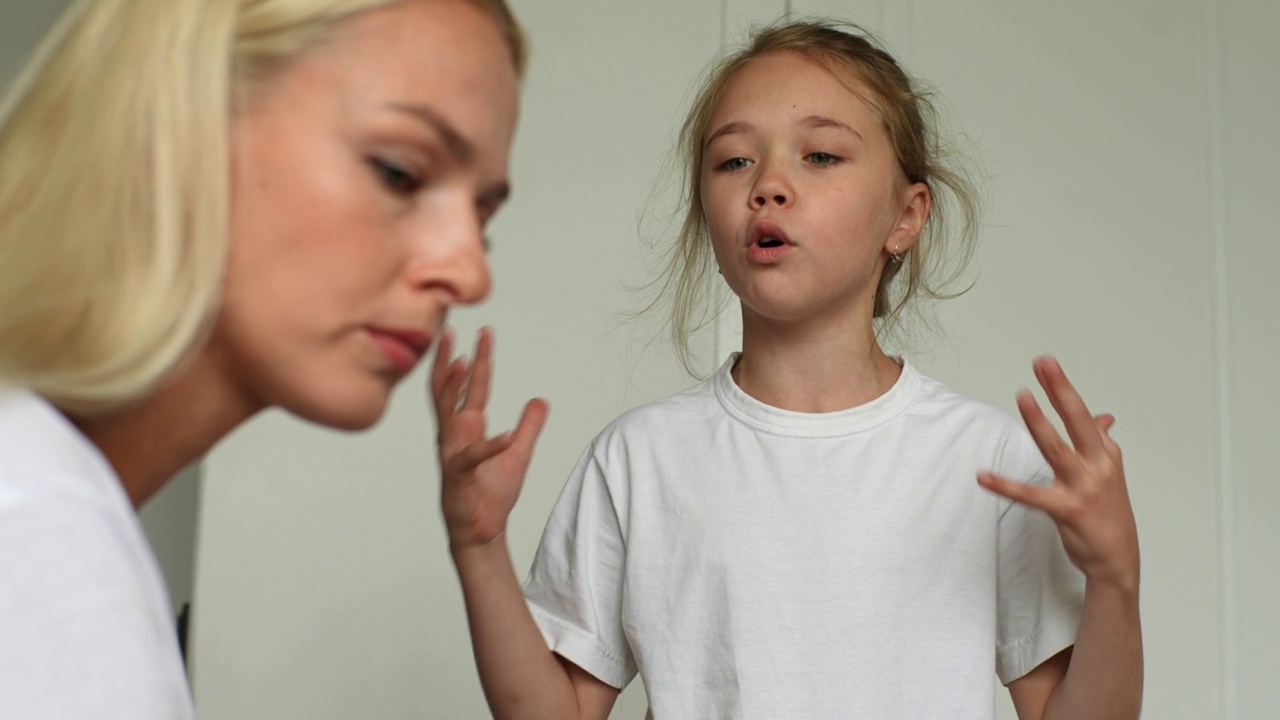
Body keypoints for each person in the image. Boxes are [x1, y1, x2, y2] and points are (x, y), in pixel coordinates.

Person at [434, 18, 1143, 719]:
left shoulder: (988, 462)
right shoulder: (638, 461)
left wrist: (1115, 579)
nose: (768, 184)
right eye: (734, 161)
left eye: (821, 156)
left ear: (907, 214)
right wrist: (481, 545)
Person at [0, 0, 525, 717]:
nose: (470, 273)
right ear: (177, 113)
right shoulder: (37, 541)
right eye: (400, 172)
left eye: (482, 218)